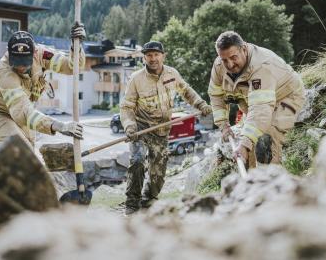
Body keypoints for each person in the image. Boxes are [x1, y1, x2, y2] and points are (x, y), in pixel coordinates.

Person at [120, 41, 212, 215]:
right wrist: (130, 126)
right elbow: (126, 107)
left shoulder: (172, 74)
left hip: (161, 131)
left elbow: (186, 91)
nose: (153, 58)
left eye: (156, 55)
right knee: (138, 161)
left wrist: (200, 104)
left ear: (163, 55)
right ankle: (132, 204)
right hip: (140, 128)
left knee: (158, 174)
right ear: (144, 57)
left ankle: (148, 201)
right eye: (149, 55)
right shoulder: (136, 79)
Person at [208, 31, 305, 168]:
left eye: (233, 57)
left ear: (244, 49)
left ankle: (269, 181)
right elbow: (216, 95)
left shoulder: (262, 65)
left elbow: (261, 110)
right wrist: (223, 125)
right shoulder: (219, 65)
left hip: (286, 96)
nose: (229, 64)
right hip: (254, 101)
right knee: (246, 144)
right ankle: (251, 182)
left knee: (265, 139)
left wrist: (246, 142)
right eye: (224, 60)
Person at [0, 29, 86, 147]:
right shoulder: (4, 73)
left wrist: (76, 47)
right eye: (16, 63)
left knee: (31, 153)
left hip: (24, 112)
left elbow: (72, 67)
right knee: (20, 149)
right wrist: (59, 126)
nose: (21, 67)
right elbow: (22, 113)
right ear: (9, 54)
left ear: (34, 53)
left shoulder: (42, 54)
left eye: (25, 63)